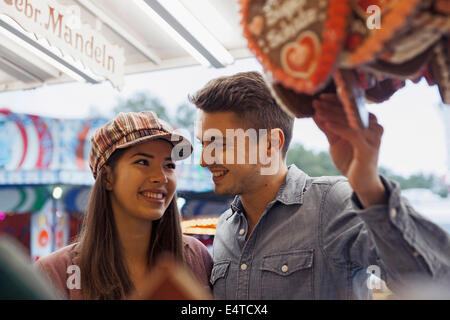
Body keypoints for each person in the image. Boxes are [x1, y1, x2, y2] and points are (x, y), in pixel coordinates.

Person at [189, 71, 450, 299]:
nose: (203, 160)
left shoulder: (332, 204)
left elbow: (432, 281)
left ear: (269, 144)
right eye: (204, 144)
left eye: (219, 144)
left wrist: (369, 187)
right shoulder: (225, 227)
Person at [34, 111, 213, 300]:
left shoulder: (196, 257)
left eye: (169, 165)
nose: (160, 177)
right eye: (143, 162)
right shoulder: (55, 272)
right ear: (108, 177)